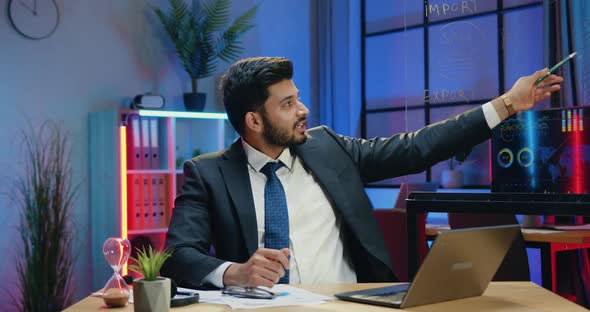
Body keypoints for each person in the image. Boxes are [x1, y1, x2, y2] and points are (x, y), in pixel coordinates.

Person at [161, 56, 563, 289]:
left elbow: (417, 147)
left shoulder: (329, 148)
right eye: (288, 104)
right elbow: (177, 257)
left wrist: (507, 104)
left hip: (350, 303)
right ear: (253, 120)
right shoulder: (207, 173)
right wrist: (234, 272)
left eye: (298, 99)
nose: (303, 110)